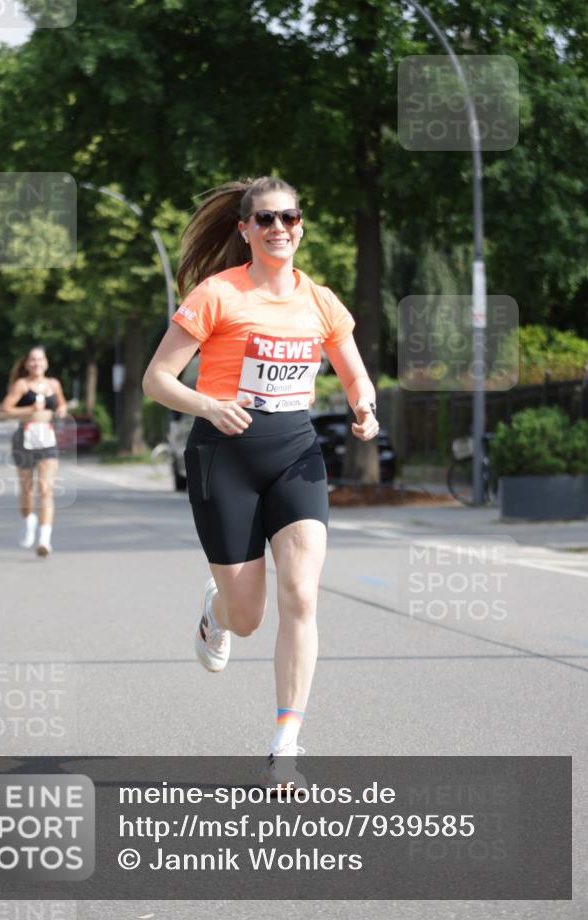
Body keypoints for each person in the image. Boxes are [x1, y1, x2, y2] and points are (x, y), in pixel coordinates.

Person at [143, 177, 379, 789]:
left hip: (295, 453)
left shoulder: (322, 301)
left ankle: (286, 744)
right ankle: (215, 612)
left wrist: (366, 409)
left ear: (302, 225)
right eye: (266, 219)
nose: (280, 228)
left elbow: (356, 377)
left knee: (301, 593)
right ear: (245, 229)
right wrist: (207, 406)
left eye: (289, 217)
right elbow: (157, 380)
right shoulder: (217, 294)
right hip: (225, 456)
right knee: (248, 617)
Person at [1, 346, 67, 557]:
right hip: (25, 439)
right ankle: (28, 521)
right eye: (33, 360)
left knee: (46, 490)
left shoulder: (54, 384)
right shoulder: (21, 385)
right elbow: (5, 410)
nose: (37, 363)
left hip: (47, 439)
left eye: (41, 359)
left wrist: (62, 410)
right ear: (27, 363)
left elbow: (62, 404)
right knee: (28, 490)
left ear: (46, 362)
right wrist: (29, 410)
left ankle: (44, 540)